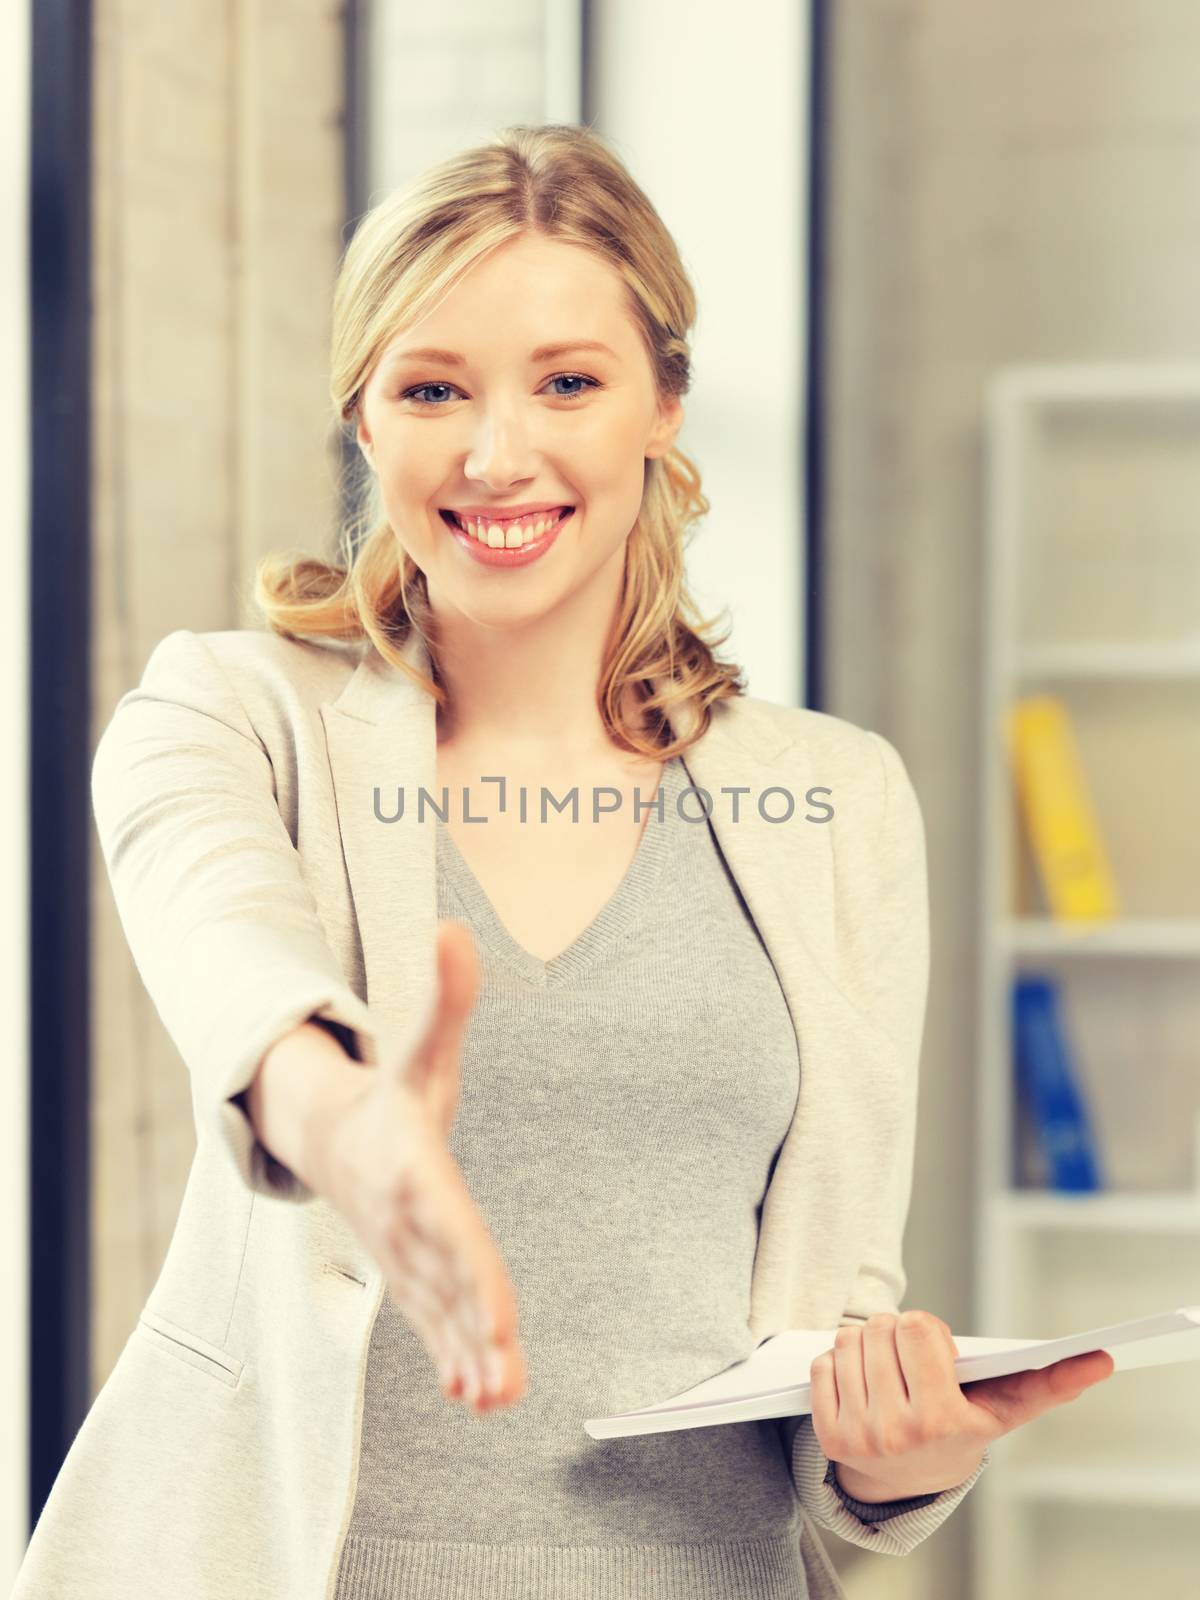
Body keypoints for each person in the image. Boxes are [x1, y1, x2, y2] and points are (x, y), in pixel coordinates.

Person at [13, 123, 1007, 1600]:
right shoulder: (231, 714)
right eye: (432, 389)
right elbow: (218, 933)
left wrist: (901, 1460)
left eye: (567, 382)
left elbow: (838, 1308)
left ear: (662, 403)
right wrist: (340, 1119)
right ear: (365, 420)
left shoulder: (839, 798)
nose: (497, 454)